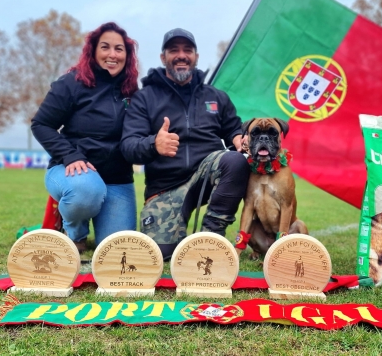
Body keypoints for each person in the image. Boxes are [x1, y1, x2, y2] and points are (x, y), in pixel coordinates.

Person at [120, 28, 249, 260]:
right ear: (163, 58)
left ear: (196, 57)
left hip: (207, 173)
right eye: (174, 50)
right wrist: (154, 144)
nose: (181, 55)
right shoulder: (145, 98)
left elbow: (233, 128)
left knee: (235, 160)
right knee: (160, 255)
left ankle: (210, 236)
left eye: (187, 50)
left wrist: (238, 137)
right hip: (165, 186)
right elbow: (128, 147)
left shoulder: (216, 96)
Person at [31, 22, 139, 253]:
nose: (112, 54)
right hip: (73, 172)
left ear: (127, 55)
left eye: (119, 49)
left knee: (117, 247)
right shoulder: (71, 83)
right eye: (105, 47)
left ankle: (97, 220)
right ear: (93, 50)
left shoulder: (132, 90)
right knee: (87, 191)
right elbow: (41, 124)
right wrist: (70, 155)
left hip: (117, 179)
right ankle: (74, 231)